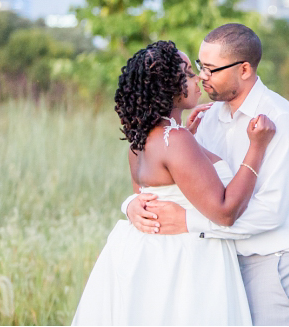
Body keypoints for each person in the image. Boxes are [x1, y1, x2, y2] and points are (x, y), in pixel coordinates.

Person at [124, 23, 289, 326]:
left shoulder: (278, 120)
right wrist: (131, 204)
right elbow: (184, 185)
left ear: (244, 70)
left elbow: (270, 212)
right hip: (223, 262)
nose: (202, 77)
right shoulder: (207, 118)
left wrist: (186, 223)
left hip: (277, 262)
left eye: (211, 69)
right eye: (199, 67)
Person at [73, 40, 275, 325]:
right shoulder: (175, 140)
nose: (198, 80)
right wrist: (257, 148)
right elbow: (225, 211)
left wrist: (130, 203)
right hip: (184, 262)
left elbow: (143, 196)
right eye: (189, 74)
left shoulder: (139, 140)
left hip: (148, 256)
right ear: (168, 86)